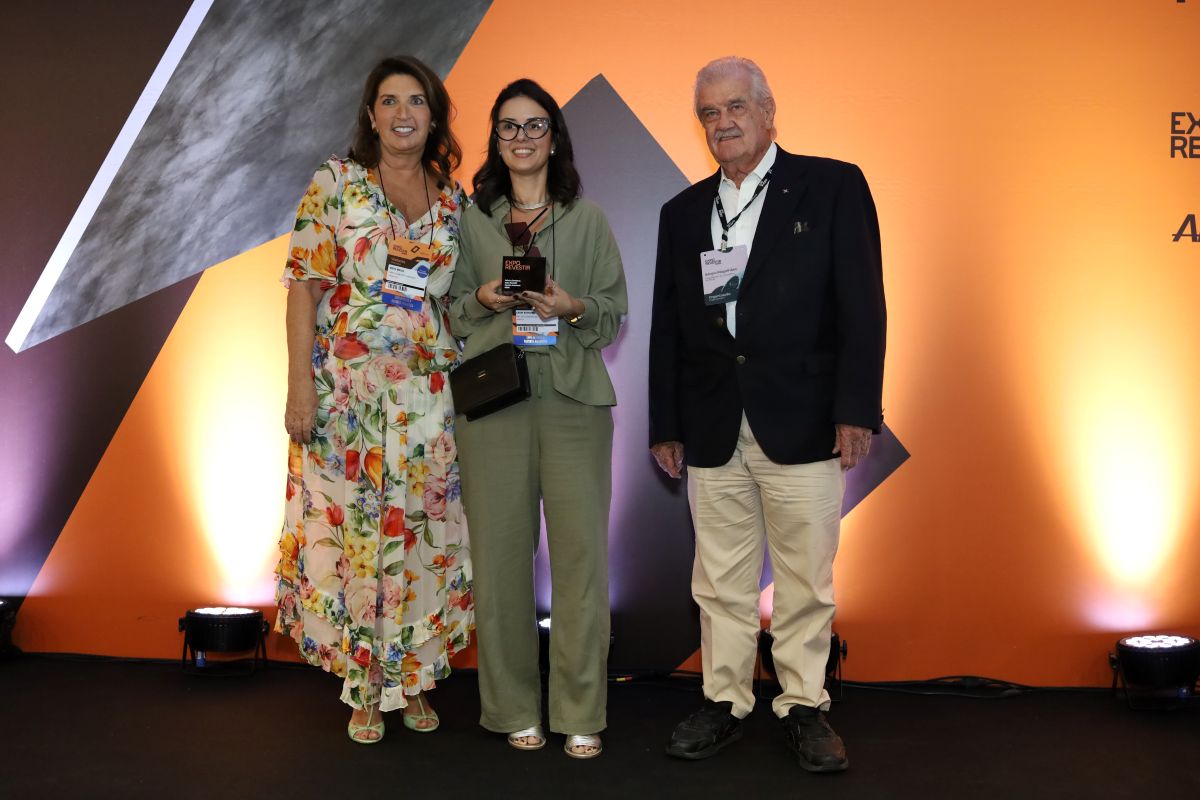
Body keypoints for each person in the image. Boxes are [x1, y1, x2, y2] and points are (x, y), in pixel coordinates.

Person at [648, 56, 886, 773]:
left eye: (735, 108)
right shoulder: (682, 212)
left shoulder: (834, 185)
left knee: (805, 578)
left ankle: (804, 704)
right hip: (712, 423)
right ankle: (724, 700)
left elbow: (863, 306)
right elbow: (668, 327)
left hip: (805, 418)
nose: (723, 123)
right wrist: (666, 423)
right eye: (709, 113)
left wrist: (856, 409)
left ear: (768, 111)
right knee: (718, 578)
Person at [274, 55, 473, 744]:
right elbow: (303, 287)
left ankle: (412, 678)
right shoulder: (337, 182)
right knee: (358, 541)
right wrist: (300, 386)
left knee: (420, 537)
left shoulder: (454, 201)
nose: (402, 114)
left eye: (416, 101)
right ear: (371, 115)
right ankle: (363, 686)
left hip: (426, 400)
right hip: (347, 400)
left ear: (433, 115)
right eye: (389, 101)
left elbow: (459, 299)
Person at [449, 78, 627, 759]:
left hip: (575, 404)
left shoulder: (589, 219)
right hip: (494, 407)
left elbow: (612, 312)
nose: (521, 137)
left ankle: (581, 710)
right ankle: (512, 707)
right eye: (508, 126)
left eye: (534, 125)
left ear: (554, 137)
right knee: (498, 561)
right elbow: (452, 311)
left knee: (581, 562)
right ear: (495, 140)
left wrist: (570, 306)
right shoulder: (472, 219)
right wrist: (486, 298)